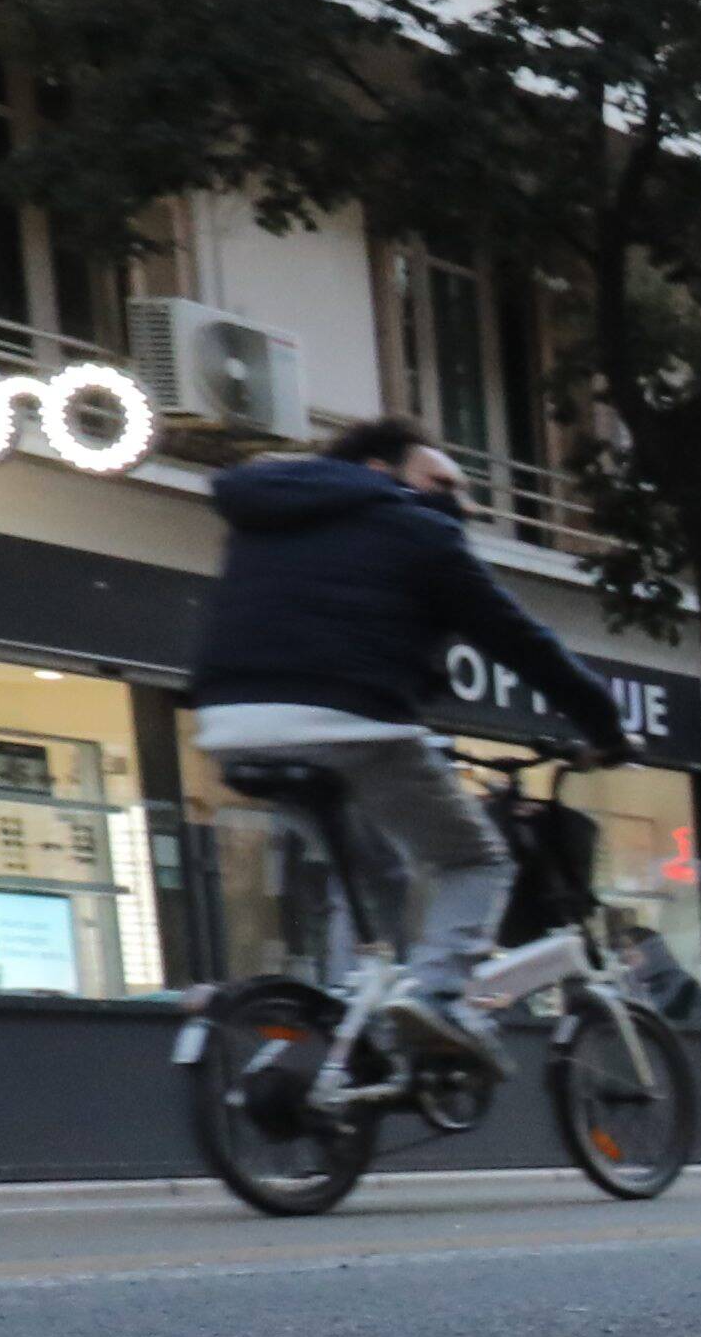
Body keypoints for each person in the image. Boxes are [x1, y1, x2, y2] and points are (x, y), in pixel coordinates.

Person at [184, 412, 635, 1080]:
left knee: (376, 873)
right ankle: (438, 997)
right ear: (379, 471)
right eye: (442, 483)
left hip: (230, 725)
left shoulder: (264, 520)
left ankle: (349, 1025)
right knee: (475, 860)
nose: (463, 503)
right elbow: (521, 642)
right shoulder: (415, 528)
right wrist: (604, 725)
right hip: (348, 723)